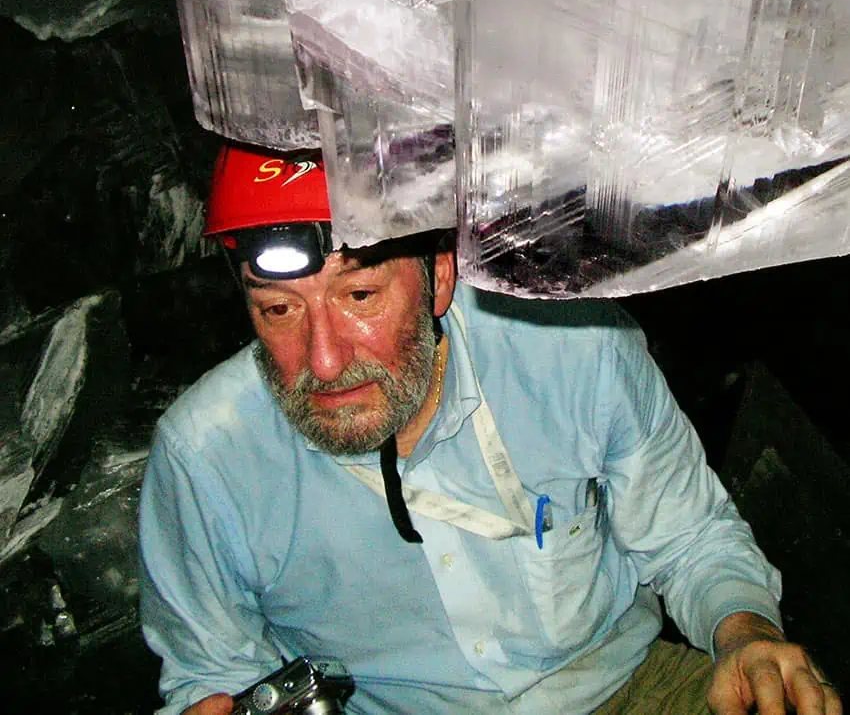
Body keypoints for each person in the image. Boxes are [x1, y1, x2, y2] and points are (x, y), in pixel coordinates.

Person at [139, 143, 841, 715]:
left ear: (439, 274)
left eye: (359, 297)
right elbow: (211, 672)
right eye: (278, 312)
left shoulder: (570, 343)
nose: (323, 361)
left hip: (626, 690)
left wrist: (745, 634)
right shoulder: (206, 457)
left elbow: (688, 537)